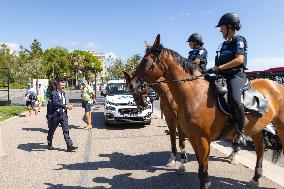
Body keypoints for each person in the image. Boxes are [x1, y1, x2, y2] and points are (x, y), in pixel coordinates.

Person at [207, 13, 248, 147]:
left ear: (230, 27)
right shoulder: (223, 44)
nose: (220, 30)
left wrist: (219, 68)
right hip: (222, 75)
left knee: (235, 100)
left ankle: (240, 132)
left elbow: (239, 59)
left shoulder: (239, 40)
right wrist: (211, 70)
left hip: (236, 76)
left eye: (222, 27)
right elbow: (219, 64)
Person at [46, 80, 78, 152]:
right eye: (61, 85)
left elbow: (63, 102)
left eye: (64, 85)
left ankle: (69, 145)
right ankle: (49, 142)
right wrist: (66, 106)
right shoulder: (53, 93)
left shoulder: (63, 93)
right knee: (51, 130)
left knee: (66, 130)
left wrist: (66, 106)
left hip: (63, 114)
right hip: (55, 115)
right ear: (58, 86)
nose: (63, 87)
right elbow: (55, 103)